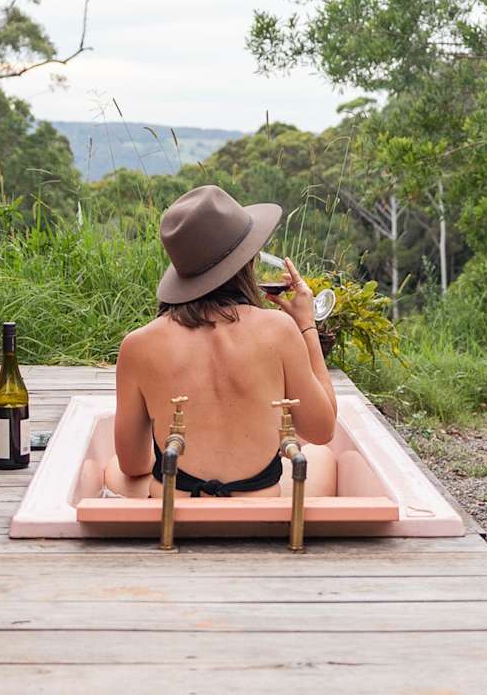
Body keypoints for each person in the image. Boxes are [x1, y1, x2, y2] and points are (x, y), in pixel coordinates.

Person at [104, 184, 338, 498]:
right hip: (257, 514)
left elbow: (132, 465)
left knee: (111, 469)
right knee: (322, 458)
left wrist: (177, 455)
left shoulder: (138, 345)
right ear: (247, 262)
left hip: (177, 512)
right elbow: (321, 431)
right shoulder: (279, 330)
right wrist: (306, 325)